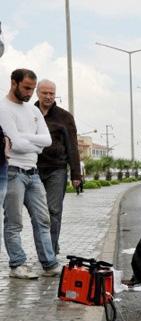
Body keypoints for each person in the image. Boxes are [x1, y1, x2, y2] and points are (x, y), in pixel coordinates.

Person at [0, 68, 58, 279]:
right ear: (13, 83)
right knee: (14, 222)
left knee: (43, 220)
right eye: (26, 88)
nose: (29, 93)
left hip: (33, 174)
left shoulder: (33, 111)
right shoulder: (3, 108)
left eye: (32, 89)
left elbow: (47, 141)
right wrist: (31, 142)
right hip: (12, 171)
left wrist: (23, 140)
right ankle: (18, 264)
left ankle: (49, 264)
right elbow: (15, 144)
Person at [35, 79, 82, 255]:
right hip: (33, 169)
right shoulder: (30, 113)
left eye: (51, 93)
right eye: (44, 93)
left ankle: (50, 250)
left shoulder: (65, 117)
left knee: (53, 210)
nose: (48, 96)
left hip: (57, 169)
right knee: (39, 214)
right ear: (37, 93)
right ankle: (47, 246)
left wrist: (76, 174)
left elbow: (73, 146)